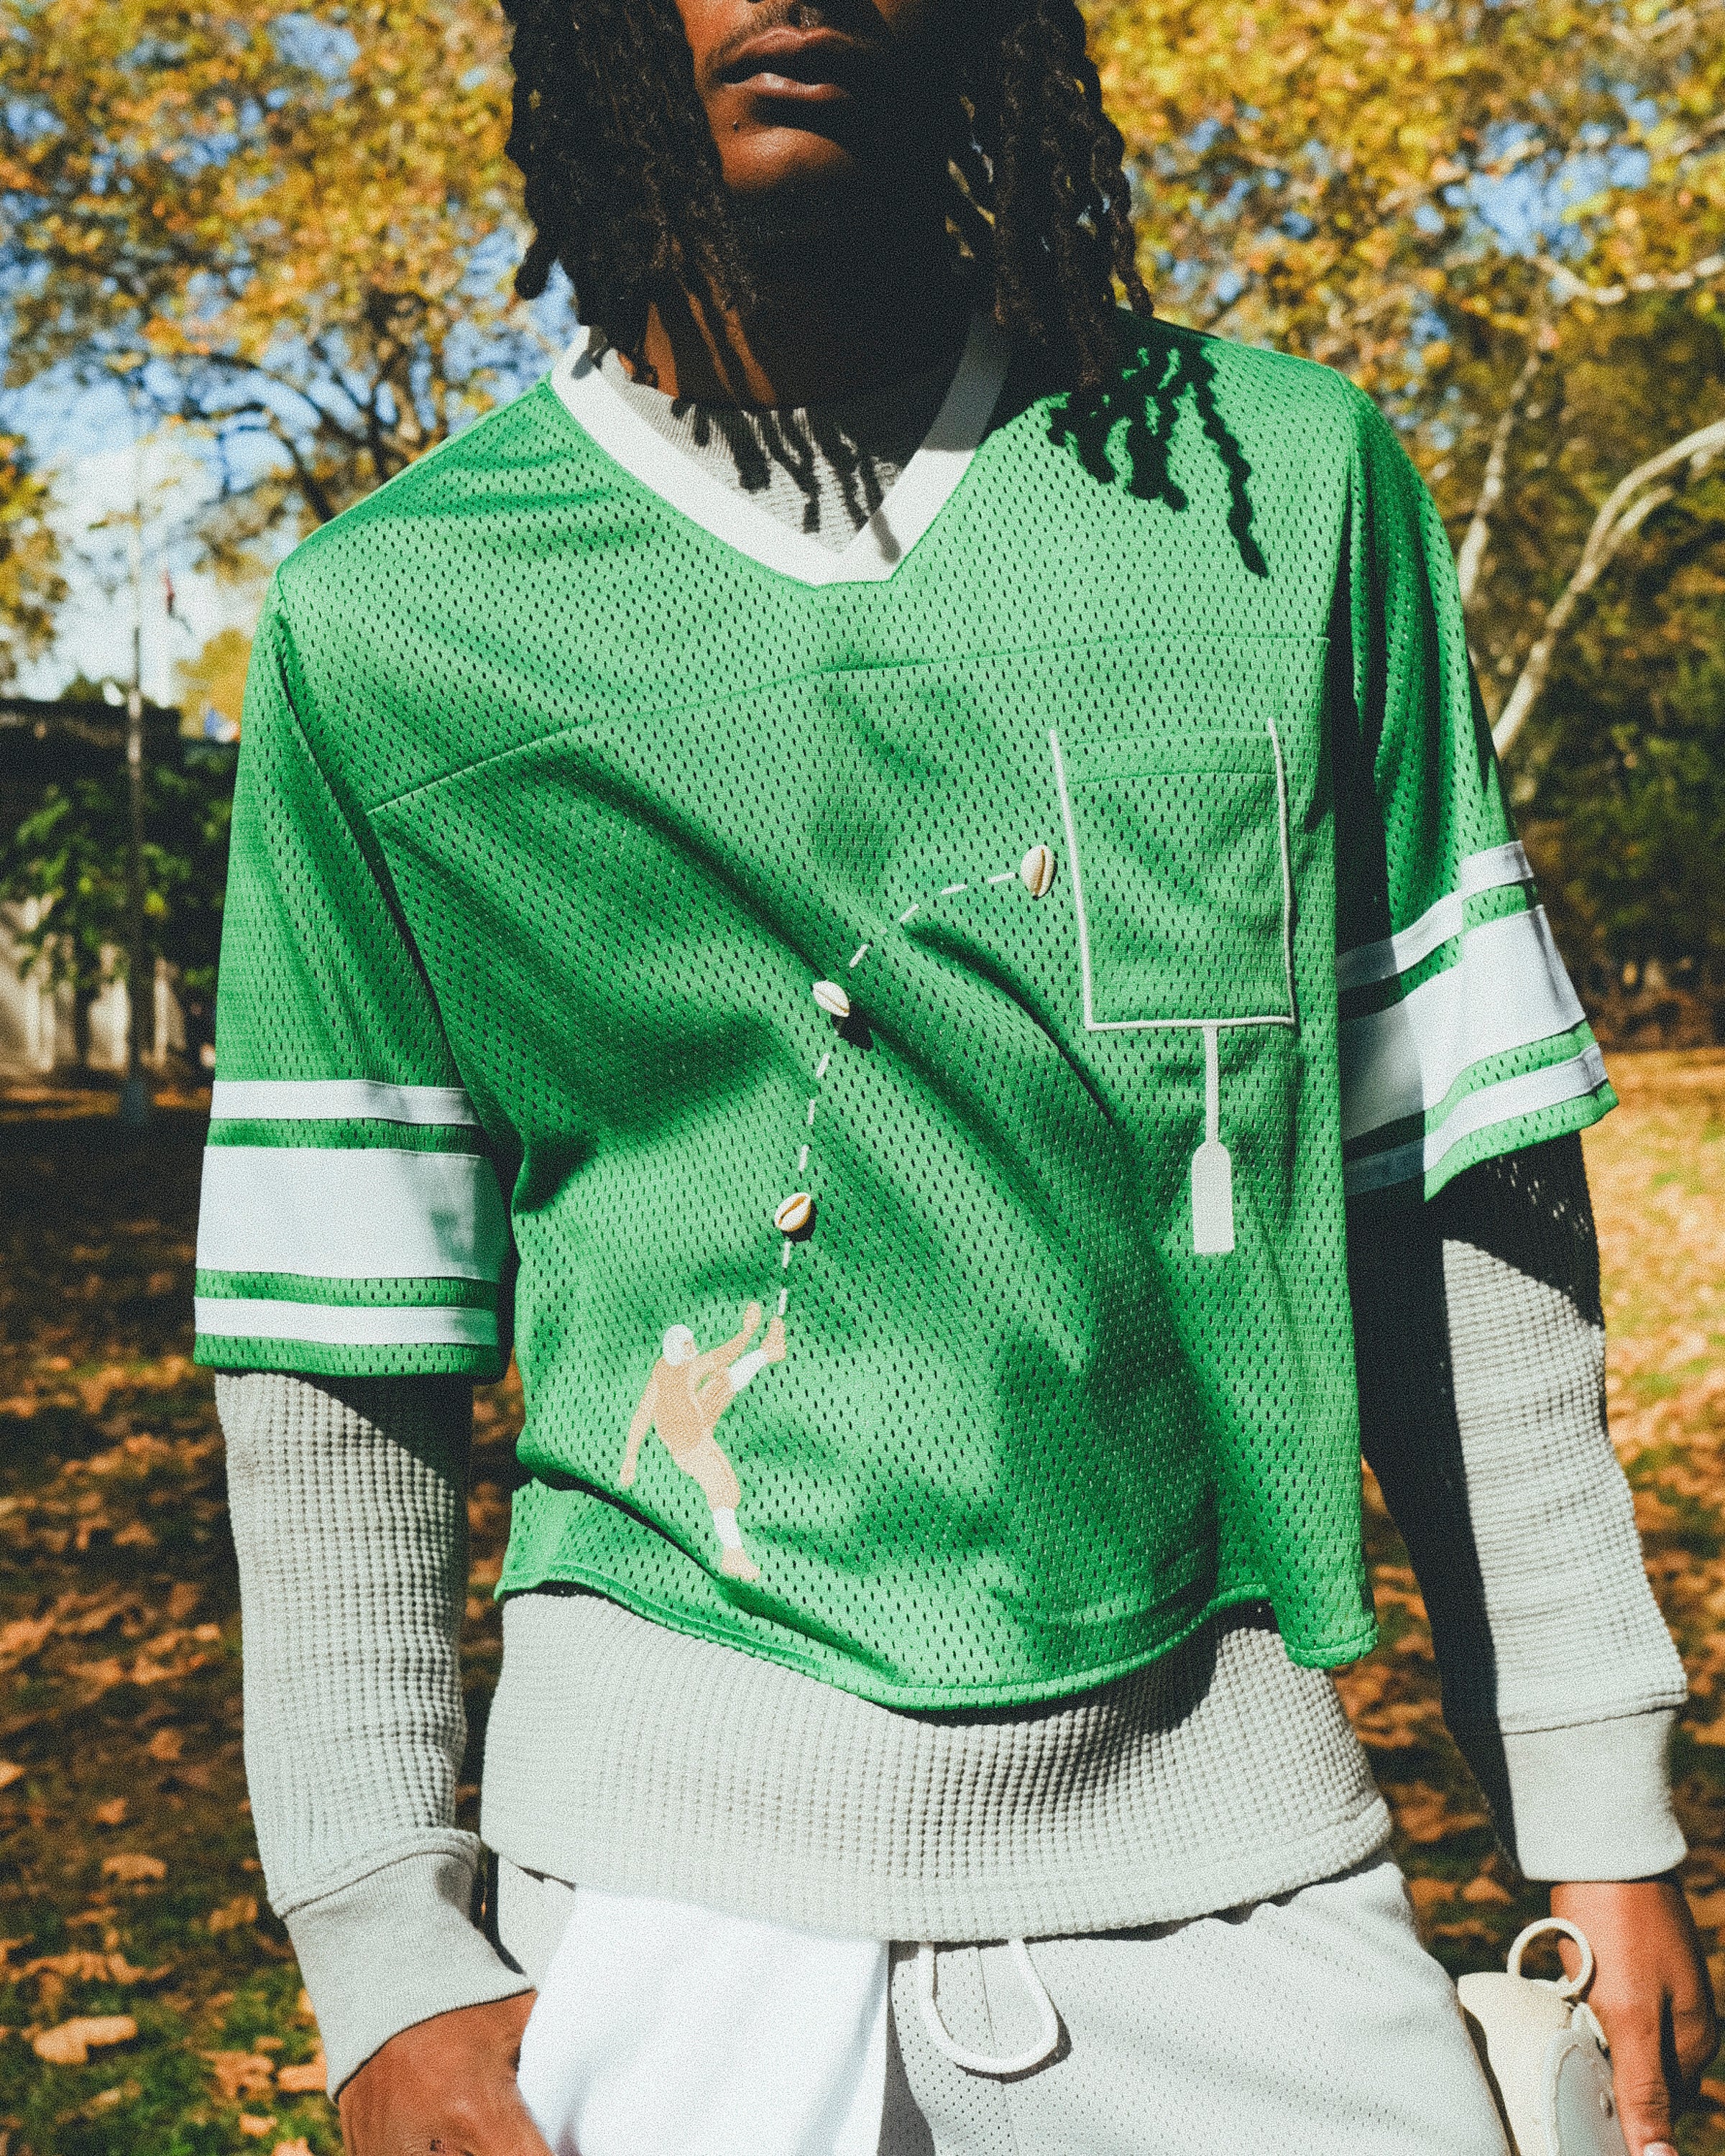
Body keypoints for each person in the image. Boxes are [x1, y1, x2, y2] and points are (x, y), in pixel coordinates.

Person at [198, 1, 1719, 2152]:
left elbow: (1452, 1196)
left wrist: (1590, 1801)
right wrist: (377, 1940)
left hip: (1232, 1864)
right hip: (649, 1897)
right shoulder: (390, 623)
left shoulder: (1281, 490)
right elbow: (337, 1331)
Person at [622, 1304, 787, 1580]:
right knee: (721, 1488)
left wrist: (630, 1458)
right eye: (687, 1345)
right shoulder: (676, 1371)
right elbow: (723, 1355)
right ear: (676, 1349)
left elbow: (718, 1362)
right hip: (690, 1446)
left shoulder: (665, 1368)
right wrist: (747, 1332)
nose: (693, 1348)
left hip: (697, 1419)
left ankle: (768, 1351)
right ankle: (733, 1555)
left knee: (723, 1383)